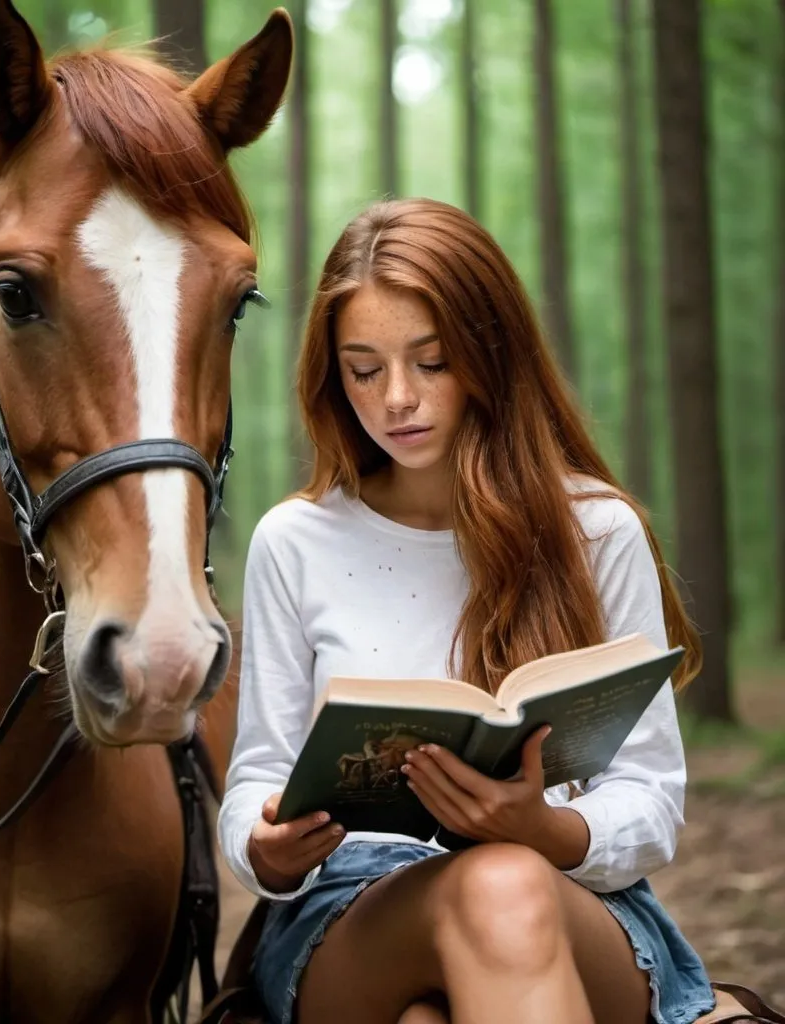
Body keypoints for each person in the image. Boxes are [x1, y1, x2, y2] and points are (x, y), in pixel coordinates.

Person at [216, 198, 719, 1024]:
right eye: (364, 369)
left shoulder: (598, 529)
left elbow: (651, 797)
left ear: (492, 353)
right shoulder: (294, 541)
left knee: (495, 898)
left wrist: (543, 832)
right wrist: (267, 850)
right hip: (353, 912)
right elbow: (257, 780)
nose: (397, 400)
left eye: (433, 362)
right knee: (490, 892)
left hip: (568, 894)